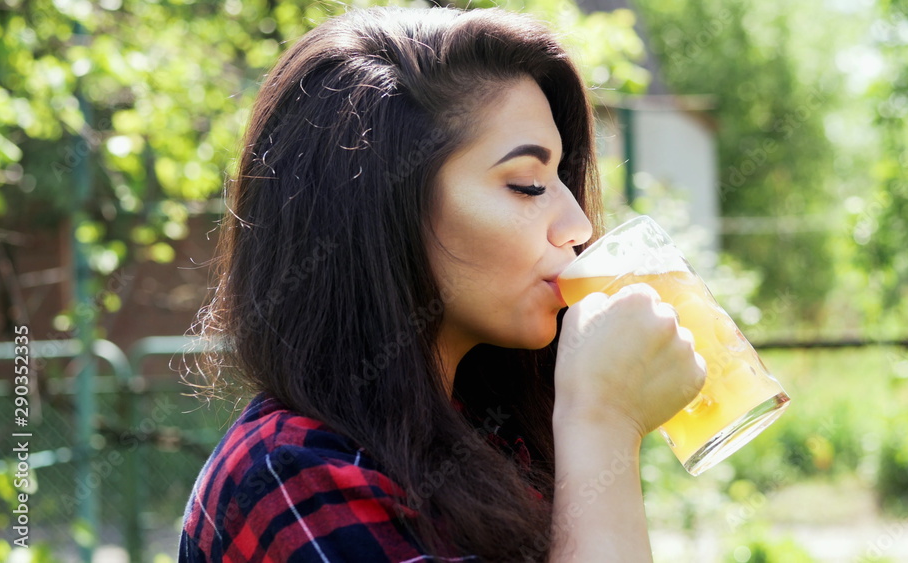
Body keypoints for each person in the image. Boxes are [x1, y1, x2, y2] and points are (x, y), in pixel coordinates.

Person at [179, 5, 706, 562]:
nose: (577, 226)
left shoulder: (489, 437)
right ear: (382, 208)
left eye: (560, 178)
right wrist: (603, 421)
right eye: (528, 184)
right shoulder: (290, 476)